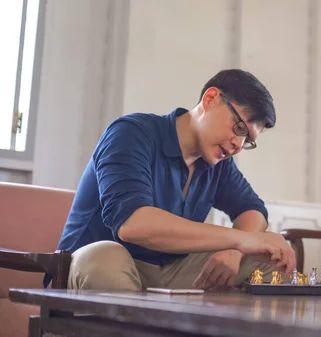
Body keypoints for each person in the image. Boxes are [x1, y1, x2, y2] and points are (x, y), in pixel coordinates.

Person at [46, 69, 296, 291]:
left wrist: (233, 251)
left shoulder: (217, 163)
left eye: (248, 140)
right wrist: (241, 240)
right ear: (211, 99)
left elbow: (252, 209)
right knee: (105, 258)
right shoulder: (131, 133)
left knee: (267, 265)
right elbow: (134, 225)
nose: (238, 145)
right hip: (94, 265)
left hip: (167, 269)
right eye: (239, 128)